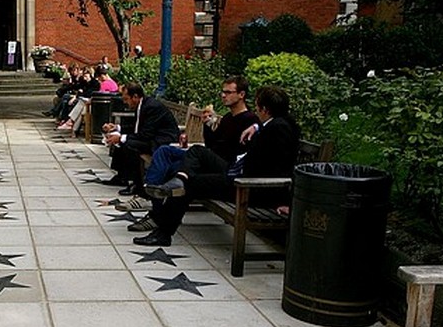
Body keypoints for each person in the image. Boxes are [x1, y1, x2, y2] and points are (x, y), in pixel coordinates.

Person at [132, 86, 301, 247]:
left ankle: (163, 232)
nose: (256, 111)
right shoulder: (278, 124)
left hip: (247, 185)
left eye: (257, 107)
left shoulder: (279, 129)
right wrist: (256, 127)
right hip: (238, 173)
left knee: (191, 183)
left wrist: (283, 200)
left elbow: (281, 166)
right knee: (195, 154)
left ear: (264, 109)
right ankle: (179, 180)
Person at [117, 75, 257, 217]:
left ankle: (150, 201)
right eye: (223, 92)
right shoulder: (228, 117)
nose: (223, 95)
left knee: (178, 164)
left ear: (241, 95)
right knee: (164, 151)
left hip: (225, 166)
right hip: (209, 156)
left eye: (228, 92)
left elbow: (237, 152)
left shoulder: (250, 120)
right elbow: (212, 143)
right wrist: (207, 125)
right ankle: (149, 194)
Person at [100, 82, 180, 195]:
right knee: (122, 140)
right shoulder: (142, 105)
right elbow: (137, 127)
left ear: (135, 97)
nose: (125, 102)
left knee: (129, 144)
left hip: (161, 143)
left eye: (126, 99)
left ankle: (137, 184)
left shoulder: (151, 107)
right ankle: (122, 177)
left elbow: (145, 134)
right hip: (152, 138)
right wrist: (117, 128)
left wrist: (121, 138)